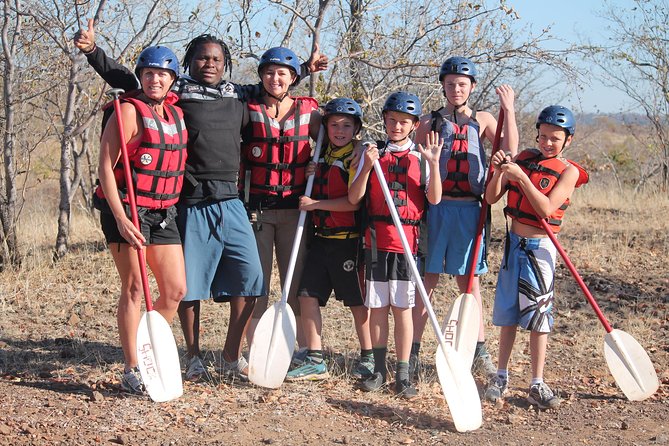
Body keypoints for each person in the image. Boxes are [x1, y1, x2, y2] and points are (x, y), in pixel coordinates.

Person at [74, 22, 328, 382]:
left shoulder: (238, 95)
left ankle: (229, 356)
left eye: (217, 58)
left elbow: (275, 84)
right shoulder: (175, 92)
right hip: (189, 201)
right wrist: (92, 52)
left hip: (232, 200)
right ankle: (191, 356)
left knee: (252, 280)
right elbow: (131, 78)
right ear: (189, 62)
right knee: (186, 286)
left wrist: (305, 68)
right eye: (202, 58)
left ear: (225, 63)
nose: (209, 63)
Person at [410, 56, 518, 380]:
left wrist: (509, 109)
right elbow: (410, 156)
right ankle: (411, 352)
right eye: (450, 83)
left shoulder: (483, 119)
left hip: (471, 210)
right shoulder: (430, 122)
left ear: (471, 87)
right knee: (426, 281)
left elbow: (509, 149)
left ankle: (478, 351)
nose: (456, 88)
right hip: (436, 209)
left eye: (462, 84)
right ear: (442, 85)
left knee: (468, 283)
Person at [483, 105, 589, 409]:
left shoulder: (569, 171)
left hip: (541, 248)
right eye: (543, 137)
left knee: (539, 317)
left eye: (555, 139)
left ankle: (537, 383)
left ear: (568, 140)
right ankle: (500, 376)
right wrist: (500, 170)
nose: (547, 143)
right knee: (508, 314)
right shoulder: (524, 158)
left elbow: (545, 209)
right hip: (513, 244)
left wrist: (522, 177)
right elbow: (492, 198)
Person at [95, 46, 187, 394]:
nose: (155, 79)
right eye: (148, 73)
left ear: (172, 79)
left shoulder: (176, 114)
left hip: (163, 212)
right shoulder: (129, 112)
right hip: (128, 211)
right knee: (135, 288)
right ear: (141, 77)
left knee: (176, 290)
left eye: (162, 74)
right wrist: (119, 217)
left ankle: (149, 348)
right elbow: (105, 166)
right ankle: (132, 367)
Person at [348, 92, 443, 398]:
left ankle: (402, 372)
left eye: (404, 122)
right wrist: (366, 166)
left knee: (403, 308)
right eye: (392, 120)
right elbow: (354, 198)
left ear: (414, 125)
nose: (397, 126)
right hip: (376, 241)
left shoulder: (420, 159)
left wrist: (435, 164)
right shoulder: (371, 152)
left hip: (407, 243)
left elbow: (434, 199)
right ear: (384, 120)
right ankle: (378, 369)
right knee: (378, 307)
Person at [239, 47, 322, 358]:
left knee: (296, 282)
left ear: (293, 78)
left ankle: (301, 352)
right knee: (256, 285)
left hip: (296, 211)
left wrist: (320, 168)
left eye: (282, 73)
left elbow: (335, 144)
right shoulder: (249, 109)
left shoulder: (310, 113)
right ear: (261, 76)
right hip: (258, 211)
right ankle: (254, 352)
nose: (275, 78)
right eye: (269, 72)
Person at [285, 98, 373, 381]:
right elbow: (311, 120)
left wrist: (315, 205)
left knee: (356, 302)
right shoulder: (319, 154)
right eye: (334, 125)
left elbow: (353, 203)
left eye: (347, 126)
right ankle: (314, 357)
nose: (339, 130)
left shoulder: (356, 157)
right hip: (321, 239)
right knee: (306, 296)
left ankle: (369, 356)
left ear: (356, 129)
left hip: (347, 241)